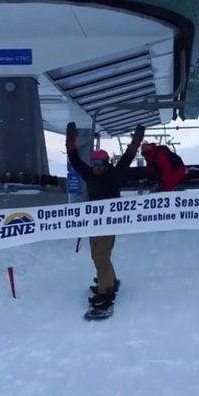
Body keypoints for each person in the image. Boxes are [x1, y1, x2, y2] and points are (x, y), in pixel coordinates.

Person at [66, 121, 145, 312]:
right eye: (94, 163)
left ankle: (105, 293)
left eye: (100, 164)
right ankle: (108, 281)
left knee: (100, 255)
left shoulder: (114, 175)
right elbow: (75, 160)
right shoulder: (91, 175)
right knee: (100, 254)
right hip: (94, 222)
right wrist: (70, 139)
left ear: (106, 163)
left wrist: (137, 137)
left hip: (109, 222)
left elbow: (129, 155)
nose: (96, 167)